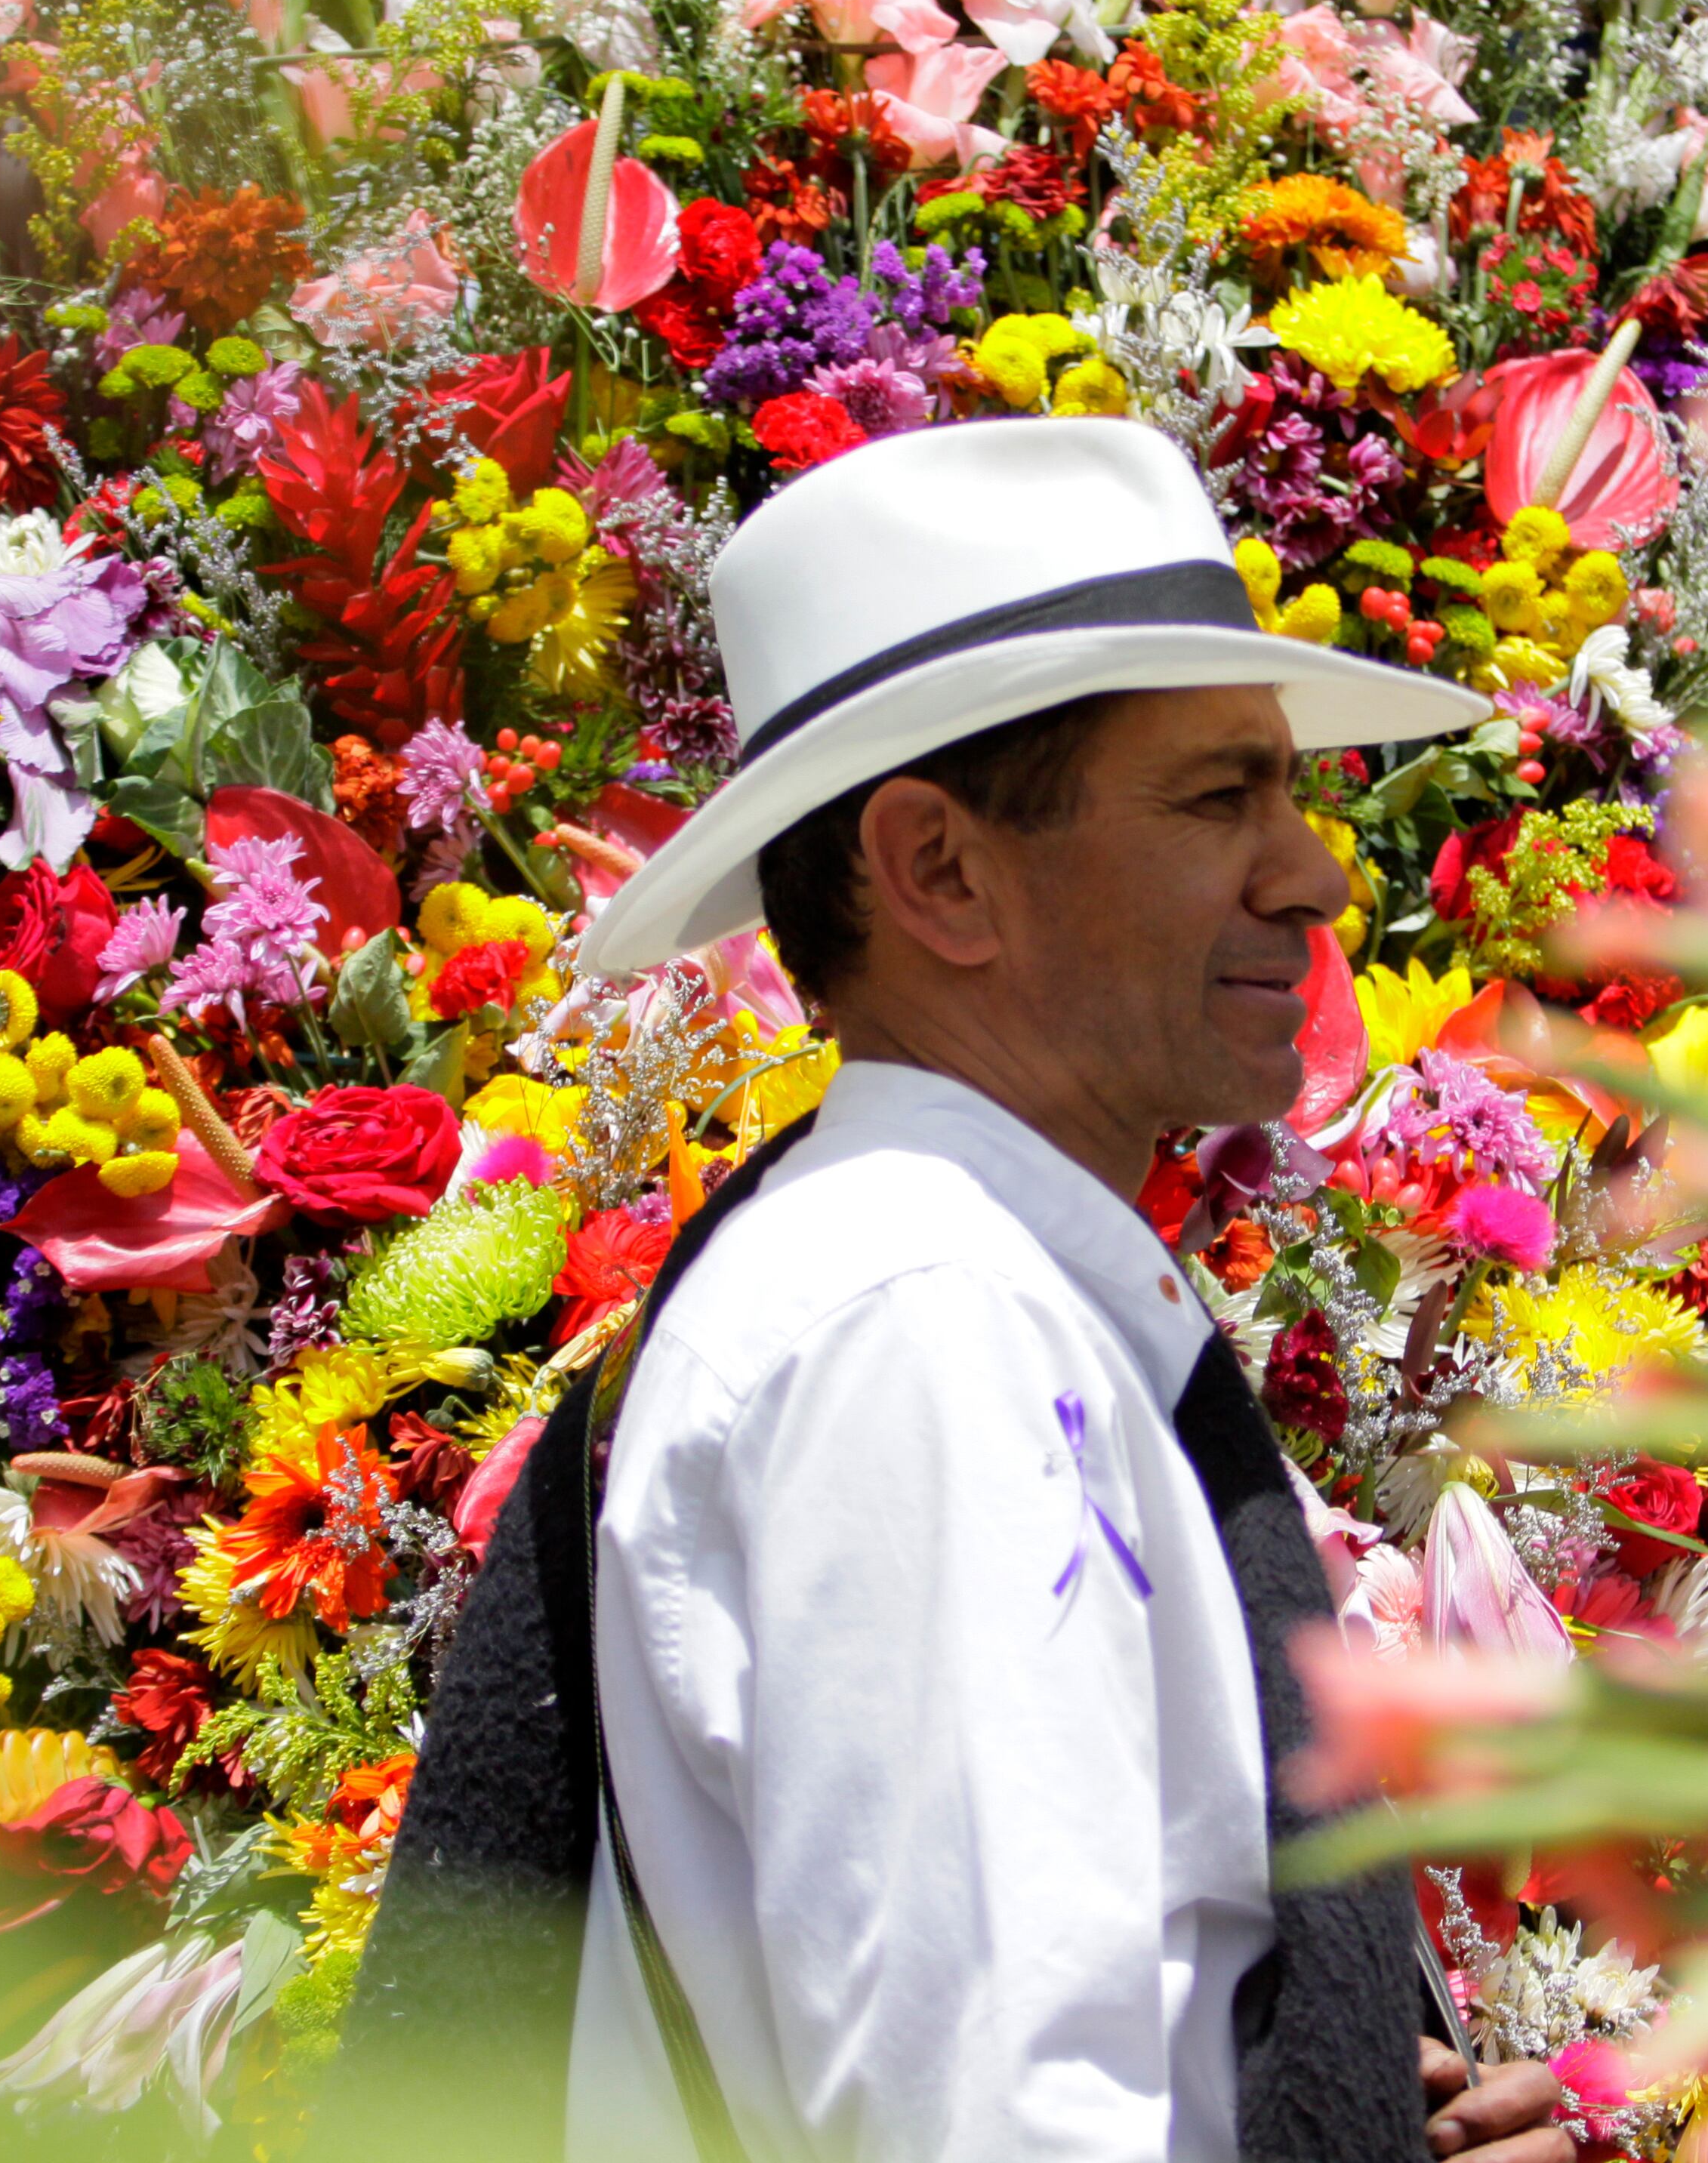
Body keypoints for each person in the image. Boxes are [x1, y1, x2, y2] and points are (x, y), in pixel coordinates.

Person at [335, 419, 1571, 2163]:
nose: (1309, 875)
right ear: (936, 873)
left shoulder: (926, 1286)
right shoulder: (925, 1325)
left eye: (1286, 794)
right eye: (1220, 797)